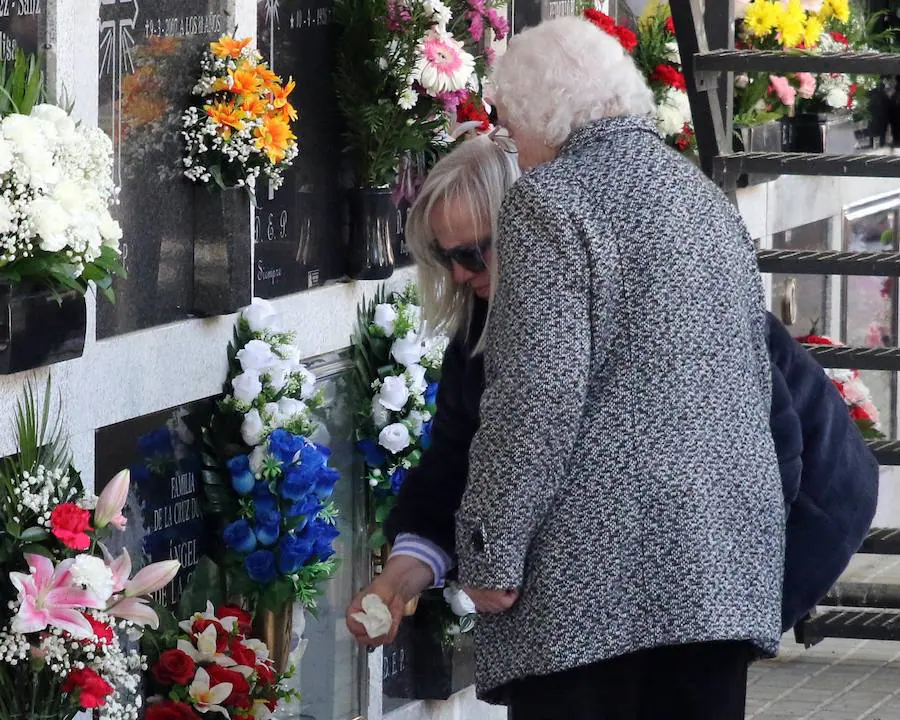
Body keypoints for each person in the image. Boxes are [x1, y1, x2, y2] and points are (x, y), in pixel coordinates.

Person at [347, 15, 877, 719]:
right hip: (714, 593)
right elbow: (748, 404)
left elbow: (537, 398)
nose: (510, 138)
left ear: (540, 111)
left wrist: (493, 558)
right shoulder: (698, 196)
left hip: (594, 609)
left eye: (507, 118)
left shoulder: (548, 201)